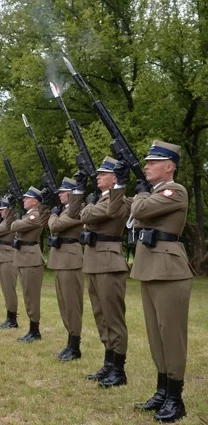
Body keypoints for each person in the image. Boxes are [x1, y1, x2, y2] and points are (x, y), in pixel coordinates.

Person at [120, 141, 193, 422]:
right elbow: (137, 218)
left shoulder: (175, 191)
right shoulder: (154, 194)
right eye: (146, 162)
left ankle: (176, 398)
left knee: (171, 336)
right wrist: (142, 197)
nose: (147, 165)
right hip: (149, 267)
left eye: (153, 162)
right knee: (156, 335)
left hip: (169, 270)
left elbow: (139, 212)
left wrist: (139, 196)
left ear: (169, 166)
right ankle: (162, 391)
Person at [68, 157, 130, 388]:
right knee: (100, 316)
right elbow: (76, 213)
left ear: (115, 178)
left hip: (109, 261)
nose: (98, 176)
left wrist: (89, 207)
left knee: (113, 317)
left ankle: (119, 369)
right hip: (93, 260)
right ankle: (108, 363)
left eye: (103, 173)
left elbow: (90, 215)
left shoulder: (121, 201)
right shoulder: (100, 200)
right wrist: (79, 190)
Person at [47, 177, 84, 361]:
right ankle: (70, 343)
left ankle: (75, 346)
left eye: (63, 192)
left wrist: (52, 215)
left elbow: (54, 226)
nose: (60, 195)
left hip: (70, 260)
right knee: (63, 304)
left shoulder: (76, 210)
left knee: (72, 305)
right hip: (61, 259)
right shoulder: (66, 210)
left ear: (71, 193)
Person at [10, 186, 50, 342]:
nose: (24, 200)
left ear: (35, 202)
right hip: (23, 257)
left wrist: (18, 222)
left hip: (31, 258)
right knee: (27, 294)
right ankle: (32, 329)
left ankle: (35, 330)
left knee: (31, 295)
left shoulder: (36, 215)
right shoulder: (28, 215)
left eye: (27, 198)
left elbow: (14, 226)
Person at [0, 197, 19, 329]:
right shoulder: (5, 221)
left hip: (8, 258)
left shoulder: (10, 221)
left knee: (9, 290)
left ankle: (12, 319)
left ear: (9, 210)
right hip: (3, 257)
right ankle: (9, 317)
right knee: (6, 289)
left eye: (3, 209)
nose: (0, 212)